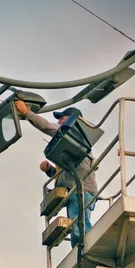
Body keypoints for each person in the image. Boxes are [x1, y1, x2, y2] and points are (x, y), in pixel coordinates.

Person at [14, 100, 97, 247]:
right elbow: (70, 172)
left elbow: (47, 126)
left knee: (79, 223)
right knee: (78, 222)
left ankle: (85, 249)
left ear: (73, 119)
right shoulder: (70, 145)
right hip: (77, 189)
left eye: (62, 118)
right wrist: (50, 170)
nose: (58, 121)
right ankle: (81, 249)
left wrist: (26, 112)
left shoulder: (74, 134)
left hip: (81, 190)